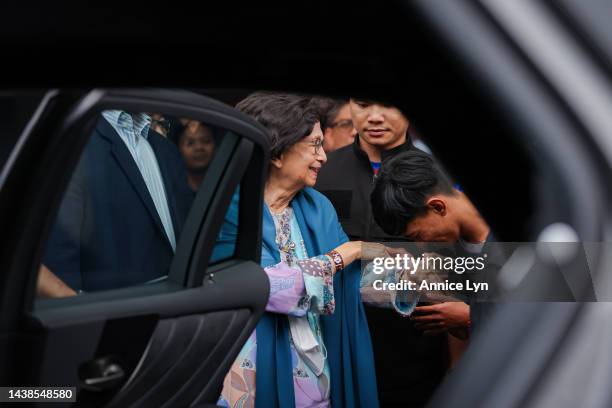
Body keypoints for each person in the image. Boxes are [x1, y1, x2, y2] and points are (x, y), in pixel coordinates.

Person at [214, 93, 379, 408]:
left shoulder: (318, 206)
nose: (323, 157)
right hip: (250, 379)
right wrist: (348, 252)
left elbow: (356, 281)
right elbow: (268, 288)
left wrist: (452, 278)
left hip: (317, 374)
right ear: (276, 152)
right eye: (314, 145)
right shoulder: (227, 210)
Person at [316, 98, 468, 407]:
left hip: (417, 351)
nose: (374, 117)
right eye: (362, 104)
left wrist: (456, 364)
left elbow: (463, 276)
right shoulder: (322, 172)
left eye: (388, 104)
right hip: (336, 344)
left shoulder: (439, 176)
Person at [42, 110, 193, 293]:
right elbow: (60, 258)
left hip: (183, 305)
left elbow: (186, 232)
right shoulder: (75, 145)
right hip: (111, 312)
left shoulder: (166, 149)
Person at [370, 149, 495, 332]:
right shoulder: (450, 252)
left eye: (417, 235)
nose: (421, 245)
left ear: (437, 207)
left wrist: (470, 317)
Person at [176, 120, 216, 192]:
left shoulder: (228, 184)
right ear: (178, 149)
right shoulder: (171, 191)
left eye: (205, 141)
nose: (198, 147)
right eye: (190, 143)